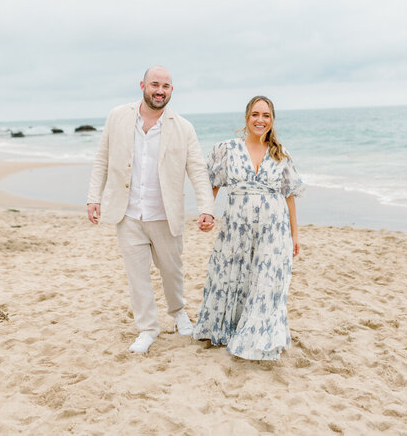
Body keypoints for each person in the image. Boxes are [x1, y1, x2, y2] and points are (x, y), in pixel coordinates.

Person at [87, 66, 215, 354]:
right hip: (128, 214)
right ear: (143, 85)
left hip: (165, 215)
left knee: (172, 271)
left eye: (166, 86)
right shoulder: (118, 117)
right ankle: (147, 329)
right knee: (138, 276)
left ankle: (179, 313)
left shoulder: (183, 128)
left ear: (171, 90)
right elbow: (102, 160)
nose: (160, 90)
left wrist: (207, 207)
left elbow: (197, 170)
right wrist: (93, 198)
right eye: (155, 84)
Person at [192, 95, 304, 360]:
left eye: (266, 115)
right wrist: (206, 213)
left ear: (272, 120)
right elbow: (213, 184)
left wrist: (294, 234)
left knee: (266, 284)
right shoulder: (227, 149)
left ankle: (259, 338)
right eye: (256, 114)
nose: (260, 120)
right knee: (234, 278)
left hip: (273, 231)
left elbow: (289, 195)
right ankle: (231, 329)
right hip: (236, 229)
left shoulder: (281, 154)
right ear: (246, 117)